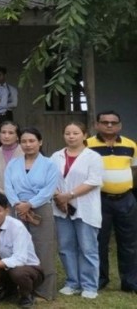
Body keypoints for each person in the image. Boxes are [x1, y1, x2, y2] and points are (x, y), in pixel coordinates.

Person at [85, 110, 137, 293]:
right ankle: (100, 278)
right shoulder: (87, 145)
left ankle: (130, 281)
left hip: (126, 200)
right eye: (105, 122)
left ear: (119, 126)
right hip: (99, 200)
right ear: (97, 124)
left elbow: (134, 170)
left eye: (113, 122)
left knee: (129, 242)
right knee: (99, 241)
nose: (109, 125)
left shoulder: (131, 145)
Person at [4, 127, 58, 302]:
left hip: (40, 208)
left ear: (40, 142)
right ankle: (20, 286)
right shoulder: (13, 163)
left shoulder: (49, 164)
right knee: (18, 247)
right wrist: (18, 204)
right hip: (17, 208)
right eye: (24, 141)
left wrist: (30, 204)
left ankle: (44, 290)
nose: (28, 145)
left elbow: (49, 189)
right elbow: (8, 186)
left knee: (43, 248)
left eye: (32, 141)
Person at [50, 121, 103, 299]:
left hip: (84, 207)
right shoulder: (55, 156)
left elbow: (93, 181)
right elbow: (48, 178)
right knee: (66, 247)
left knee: (87, 248)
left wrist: (69, 195)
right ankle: (72, 282)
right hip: (60, 207)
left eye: (75, 133)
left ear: (85, 135)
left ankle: (89, 285)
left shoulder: (93, 157)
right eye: (67, 133)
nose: (71, 136)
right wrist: (59, 196)